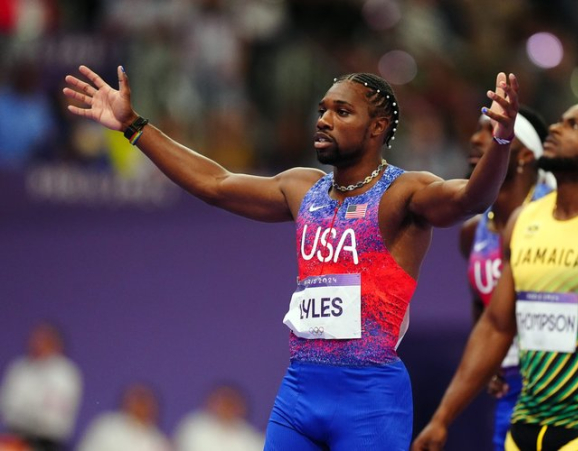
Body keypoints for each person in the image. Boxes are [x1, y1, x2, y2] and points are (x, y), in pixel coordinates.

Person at [63, 65, 520, 450]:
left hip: (370, 396)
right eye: (322, 109)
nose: (323, 119)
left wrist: (500, 142)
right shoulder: (302, 187)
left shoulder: (404, 192)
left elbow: (470, 200)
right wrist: (134, 126)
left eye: (342, 111)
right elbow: (214, 184)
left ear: (377, 127)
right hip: (301, 388)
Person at [413, 103, 578, 451]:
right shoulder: (524, 220)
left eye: (574, 125)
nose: (556, 128)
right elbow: (495, 325)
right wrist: (443, 417)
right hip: (525, 426)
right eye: (559, 121)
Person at [460, 105, 554, 451]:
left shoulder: (563, 216)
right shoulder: (473, 231)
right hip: (511, 384)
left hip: (564, 382)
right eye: (480, 129)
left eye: (490, 129)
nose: (475, 137)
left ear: (526, 154)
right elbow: (480, 305)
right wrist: (491, 358)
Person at [0, 322, 83, 451]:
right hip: (13, 437)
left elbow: (53, 420)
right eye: (35, 340)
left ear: (56, 344)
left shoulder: (66, 374)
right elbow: (7, 408)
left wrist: (26, 413)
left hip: (46, 443)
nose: (36, 344)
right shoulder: (19, 367)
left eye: (43, 340)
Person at [76, 382, 170, 451]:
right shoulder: (106, 427)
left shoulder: (159, 441)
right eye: (138, 401)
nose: (141, 407)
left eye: (145, 403)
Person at [173, 383, 264, 451]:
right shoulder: (194, 427)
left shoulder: (250, 438)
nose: (226, 408)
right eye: (223, 403)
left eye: (231, 404)